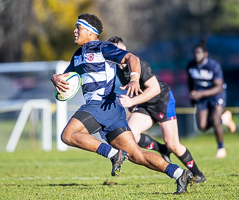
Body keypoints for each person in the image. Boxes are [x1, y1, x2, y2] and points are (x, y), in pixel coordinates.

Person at [51, 13, 192, 194]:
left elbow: (132, 58)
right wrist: (55, 78)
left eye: (78, 28)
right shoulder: (78, 55)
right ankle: (180, 173)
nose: (74, 31)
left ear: (92, 33)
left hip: (101, 103)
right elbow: (64, 78)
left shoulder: (102, 48)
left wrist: (134, 79)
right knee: (136, 155)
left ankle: (113, 154)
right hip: (111, 109)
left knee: (68, 135)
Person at [108, 36, 206, 184]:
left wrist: (132, 101)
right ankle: (161, 148)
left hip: (162, 101)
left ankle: (198, 174)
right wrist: (131, 102)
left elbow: (155, 89)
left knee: (172, 144)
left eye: (119, 50)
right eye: (113, 52)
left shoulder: (138, 63)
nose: (117, 54)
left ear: (125, 49)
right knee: (130, 135)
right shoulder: (117, 68)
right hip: (144, 104)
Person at [186, 38, 236, 159]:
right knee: (202, 127)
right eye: (194, 53)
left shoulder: (213, 66)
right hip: (202, 97)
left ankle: (221, 148)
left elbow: (219, 87)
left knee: (214, 118)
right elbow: (190, 82)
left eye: (199, 53)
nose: (196, 55)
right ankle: (224, 119)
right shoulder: (191, 66)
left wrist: (201, 94)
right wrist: (192, 96)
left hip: (216, 95)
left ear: (205, 54)